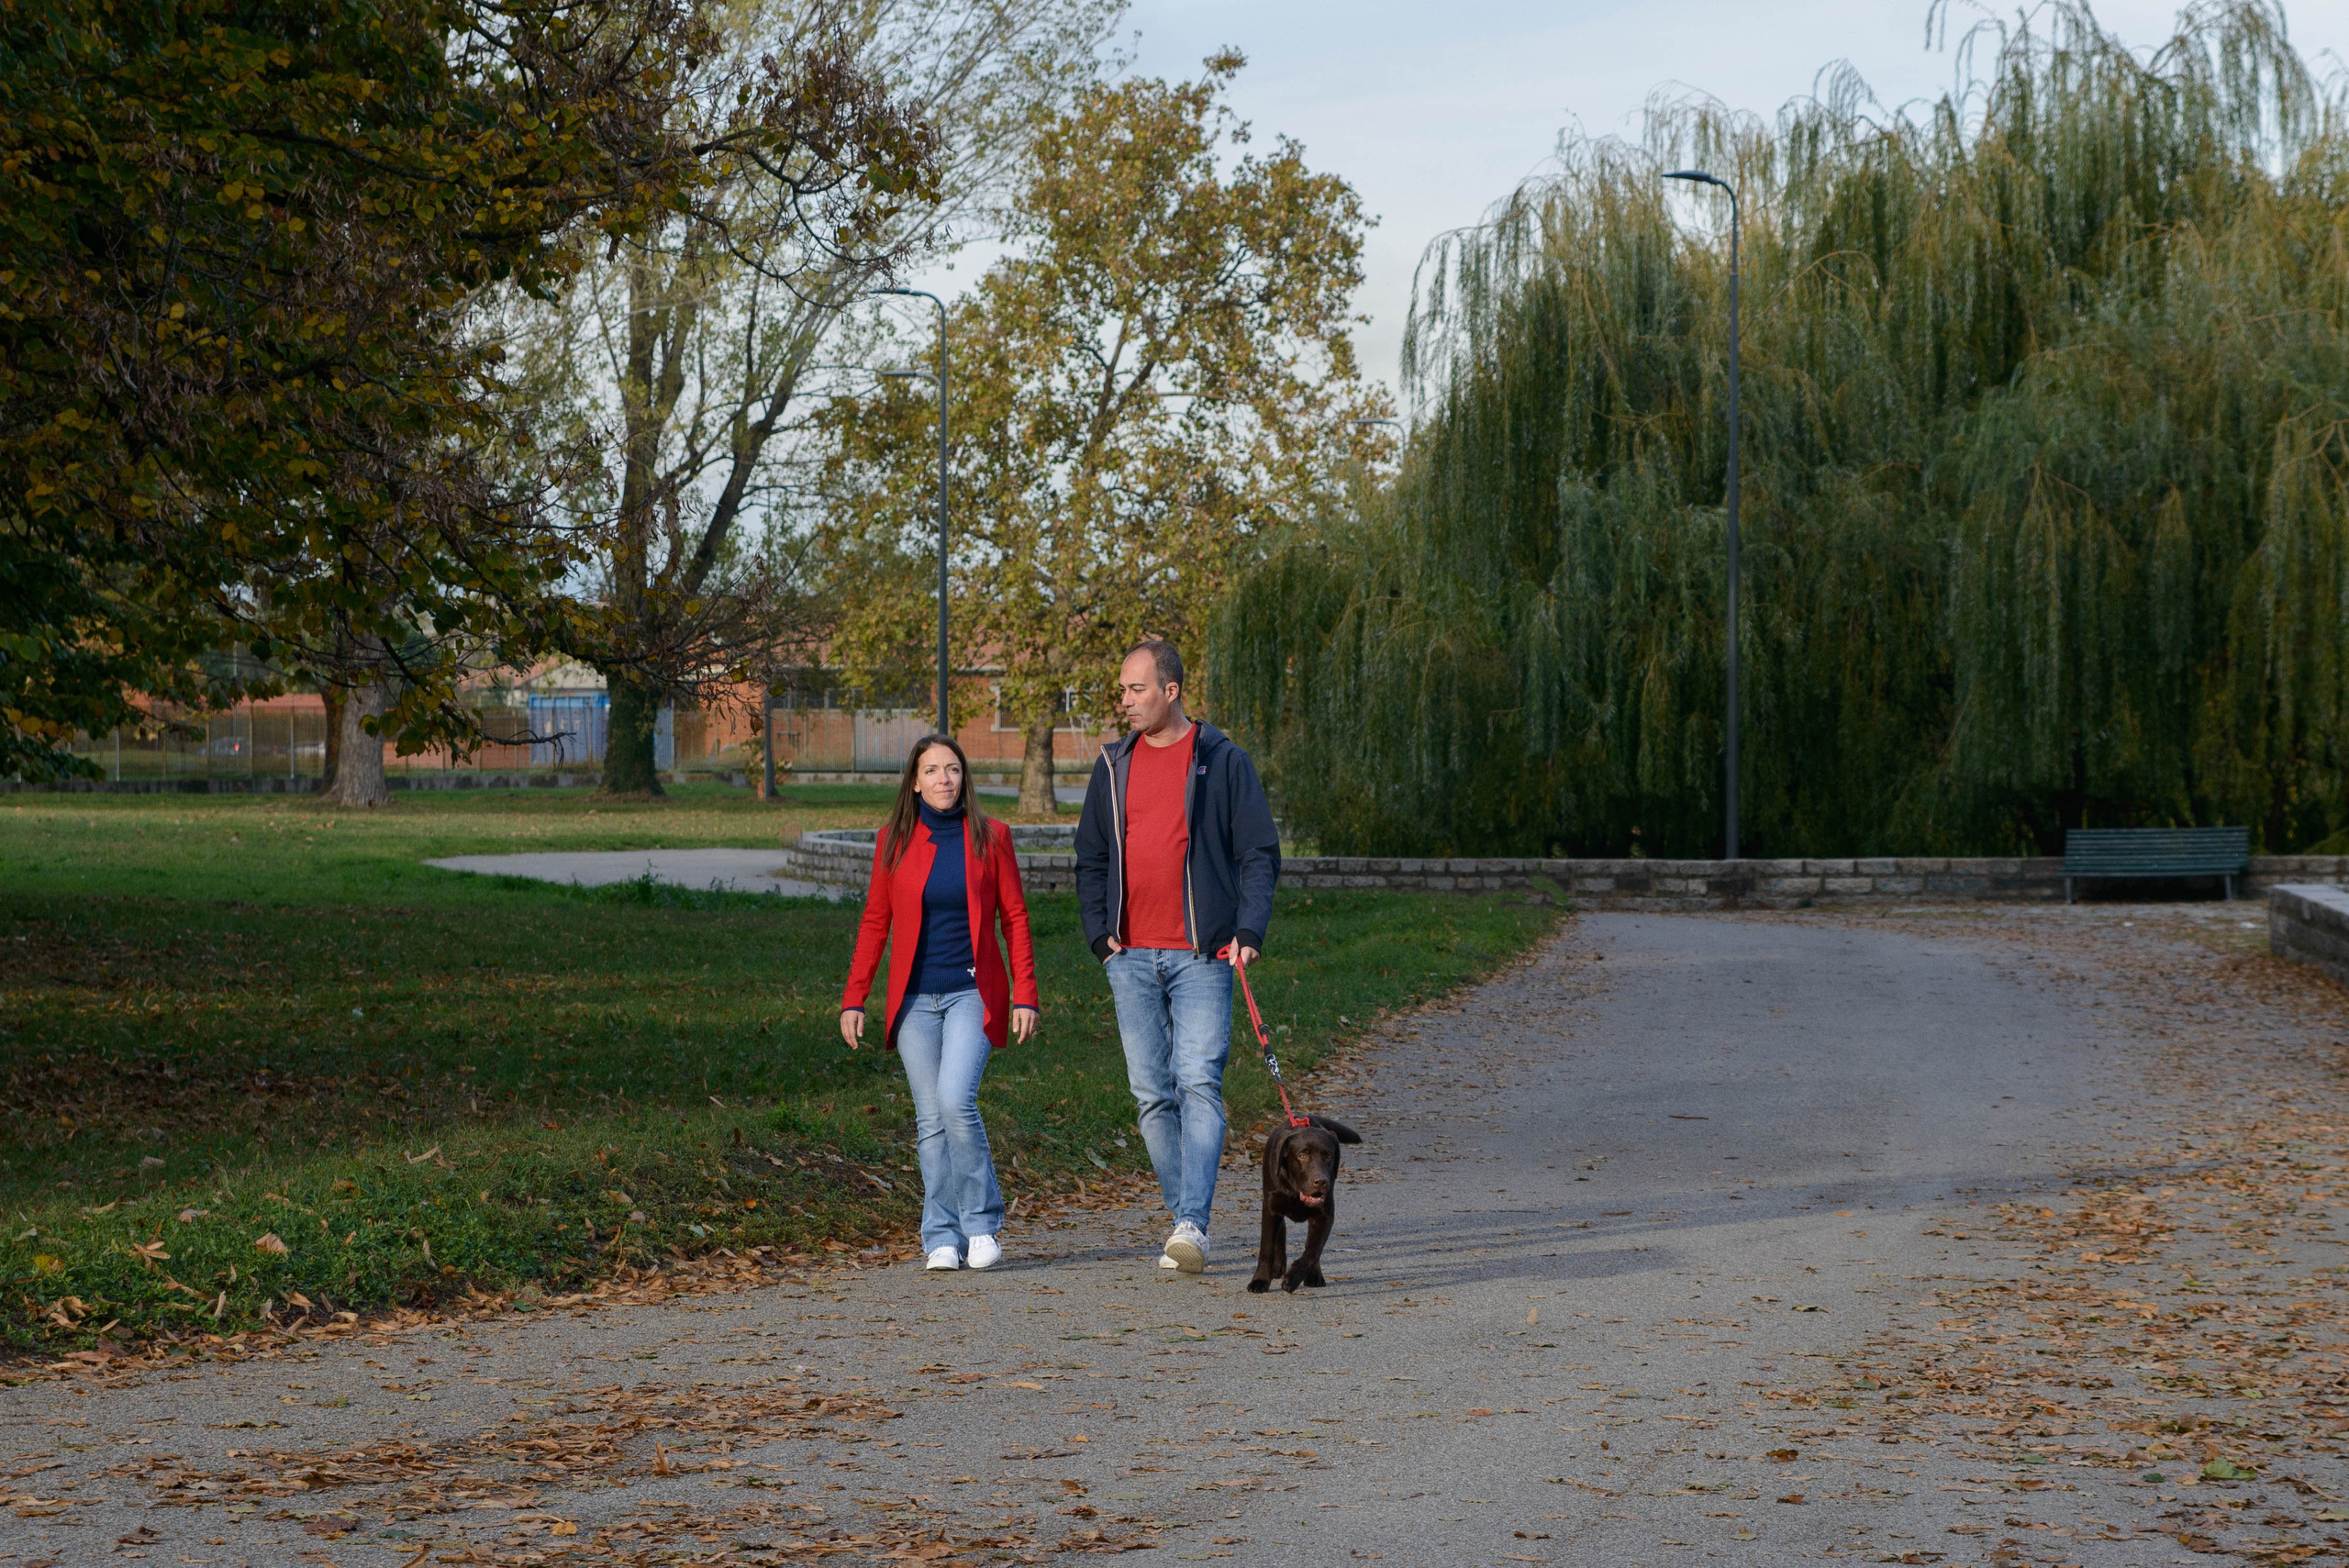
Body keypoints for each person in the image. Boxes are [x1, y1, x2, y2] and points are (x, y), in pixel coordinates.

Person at [1074, 639, 1282, 1273]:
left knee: (1197, 1079)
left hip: (1203, 954)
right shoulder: (1113, 765)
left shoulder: (1221, 760)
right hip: (1130, 954)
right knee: (1149, 1093)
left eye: (1137, 688)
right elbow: (1090, 857)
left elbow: (1258, 853)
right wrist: (1099, 934)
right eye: (1122, 689)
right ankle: (1185, 1217)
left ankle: (1193, 1221)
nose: (1125, 700)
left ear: (1171, 690)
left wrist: (1248, 929)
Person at [841, 734, 1039, 1271]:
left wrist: (1027, 994)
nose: (944, 779)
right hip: (913, 1001)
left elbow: (1015, 919)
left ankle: (981, 1224)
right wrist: (853, 997)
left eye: (952, 769)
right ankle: (941, 1237)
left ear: (963, 777)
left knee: (955, 1101)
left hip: (972, 991)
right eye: (932, 771)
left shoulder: (992, 837)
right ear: (915, 781)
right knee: (930, 1119)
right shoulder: (893, 841)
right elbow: (875, 923)